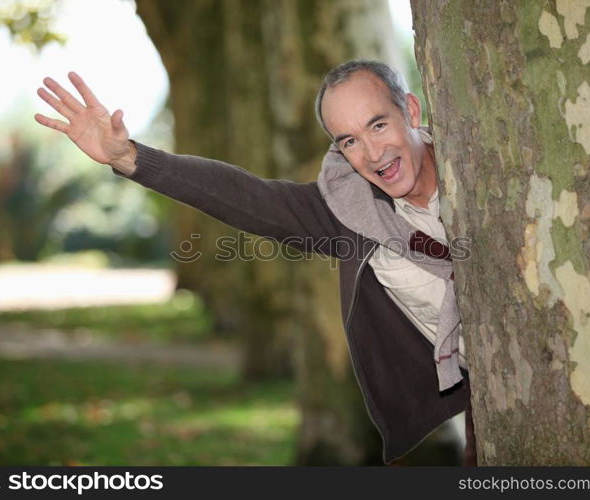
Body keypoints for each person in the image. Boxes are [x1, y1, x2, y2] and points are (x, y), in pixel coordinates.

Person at [35, 59, 475, 465]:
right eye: (350, 141)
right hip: (487, 399)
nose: (373, 154)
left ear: (411, 111)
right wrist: (129, 157)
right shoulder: (349, 211)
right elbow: (247, 197)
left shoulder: (483, 170)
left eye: (378, 125)